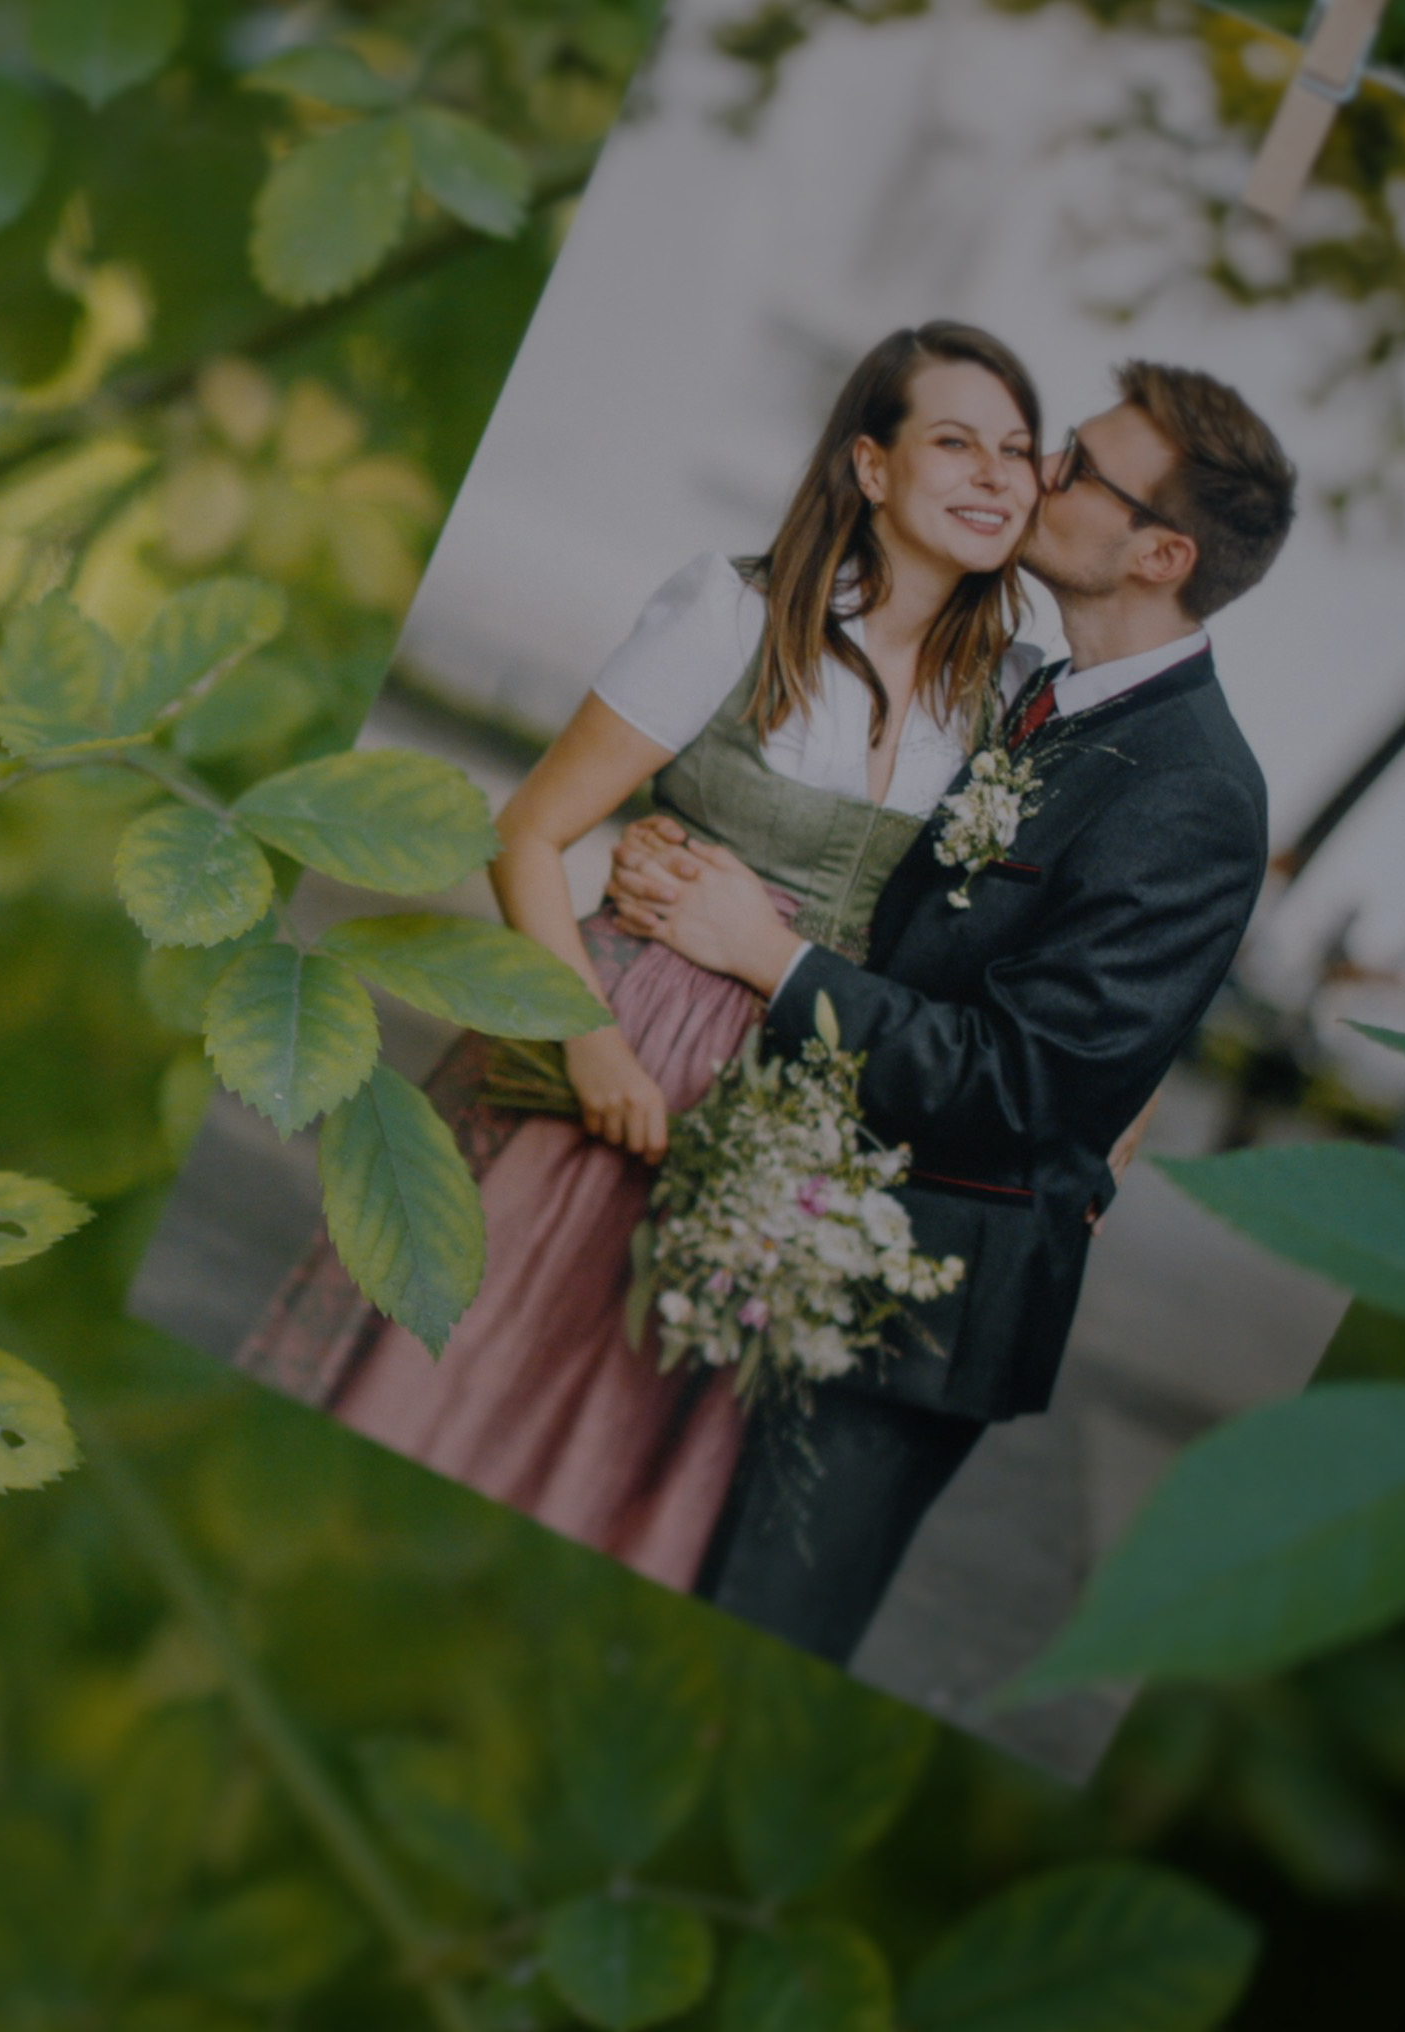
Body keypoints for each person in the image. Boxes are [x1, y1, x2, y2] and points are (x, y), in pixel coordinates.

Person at [238, 320, 1047, 1588]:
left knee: (633, 1432)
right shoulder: (735, 612)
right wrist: (595, 1051)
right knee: (483, 1363)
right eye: (957, 442)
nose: (997, 474)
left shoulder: (1004, 700)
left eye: (1019, 450)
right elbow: (530, 832)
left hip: (799, 1106)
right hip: (628, 1040)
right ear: (871, 466)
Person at [608, 361, 1297, 1660]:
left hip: (913, 1312)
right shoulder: (1039, 692)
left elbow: (1025, 1087)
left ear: (1161, 553)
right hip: (795, 1224)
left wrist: (767, 957)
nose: (1036, 473)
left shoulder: (1194, 792)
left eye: (1075, 466)